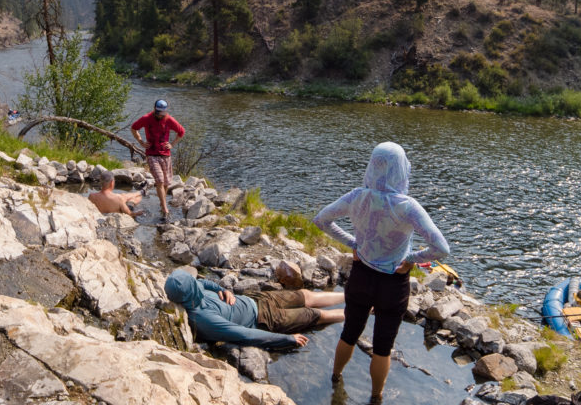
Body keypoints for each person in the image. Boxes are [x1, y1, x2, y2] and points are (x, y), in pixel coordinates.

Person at [313, 142, 450, 403]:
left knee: (349, 332)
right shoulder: (407, 206)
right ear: (401, 170)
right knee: (383, 347)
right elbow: (441, 248)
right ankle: (376, 397)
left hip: (361, 276)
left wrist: (354, 243)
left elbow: (321, 220)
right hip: (393, 284)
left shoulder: (357, 196)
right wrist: (411, 259)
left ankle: (335, 378)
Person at [164, 268, 345, 350]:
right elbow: (244, 335)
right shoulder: (203, 318)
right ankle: (363, 311)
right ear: (188, 291)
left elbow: (203, 282)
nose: (195, 281)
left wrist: (223, 290)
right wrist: (287, 339)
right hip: (266, 319)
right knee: (316, 315)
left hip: (257, 300)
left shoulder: (195, 290)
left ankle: (351, 296)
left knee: (305, 295)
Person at [131, 99, 185, 217]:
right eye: (158, 112)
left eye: (162, 113)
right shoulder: (146, 118)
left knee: (166, 183)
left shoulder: (169, 119)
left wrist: (172, 144)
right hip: (151, 153)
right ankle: (165, 208)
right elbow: (134, 128)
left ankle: (162, 204)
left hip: (165, 155)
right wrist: (140, 141)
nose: (160, 115)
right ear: (154, 109)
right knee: (159, 181)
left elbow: (181, 131)